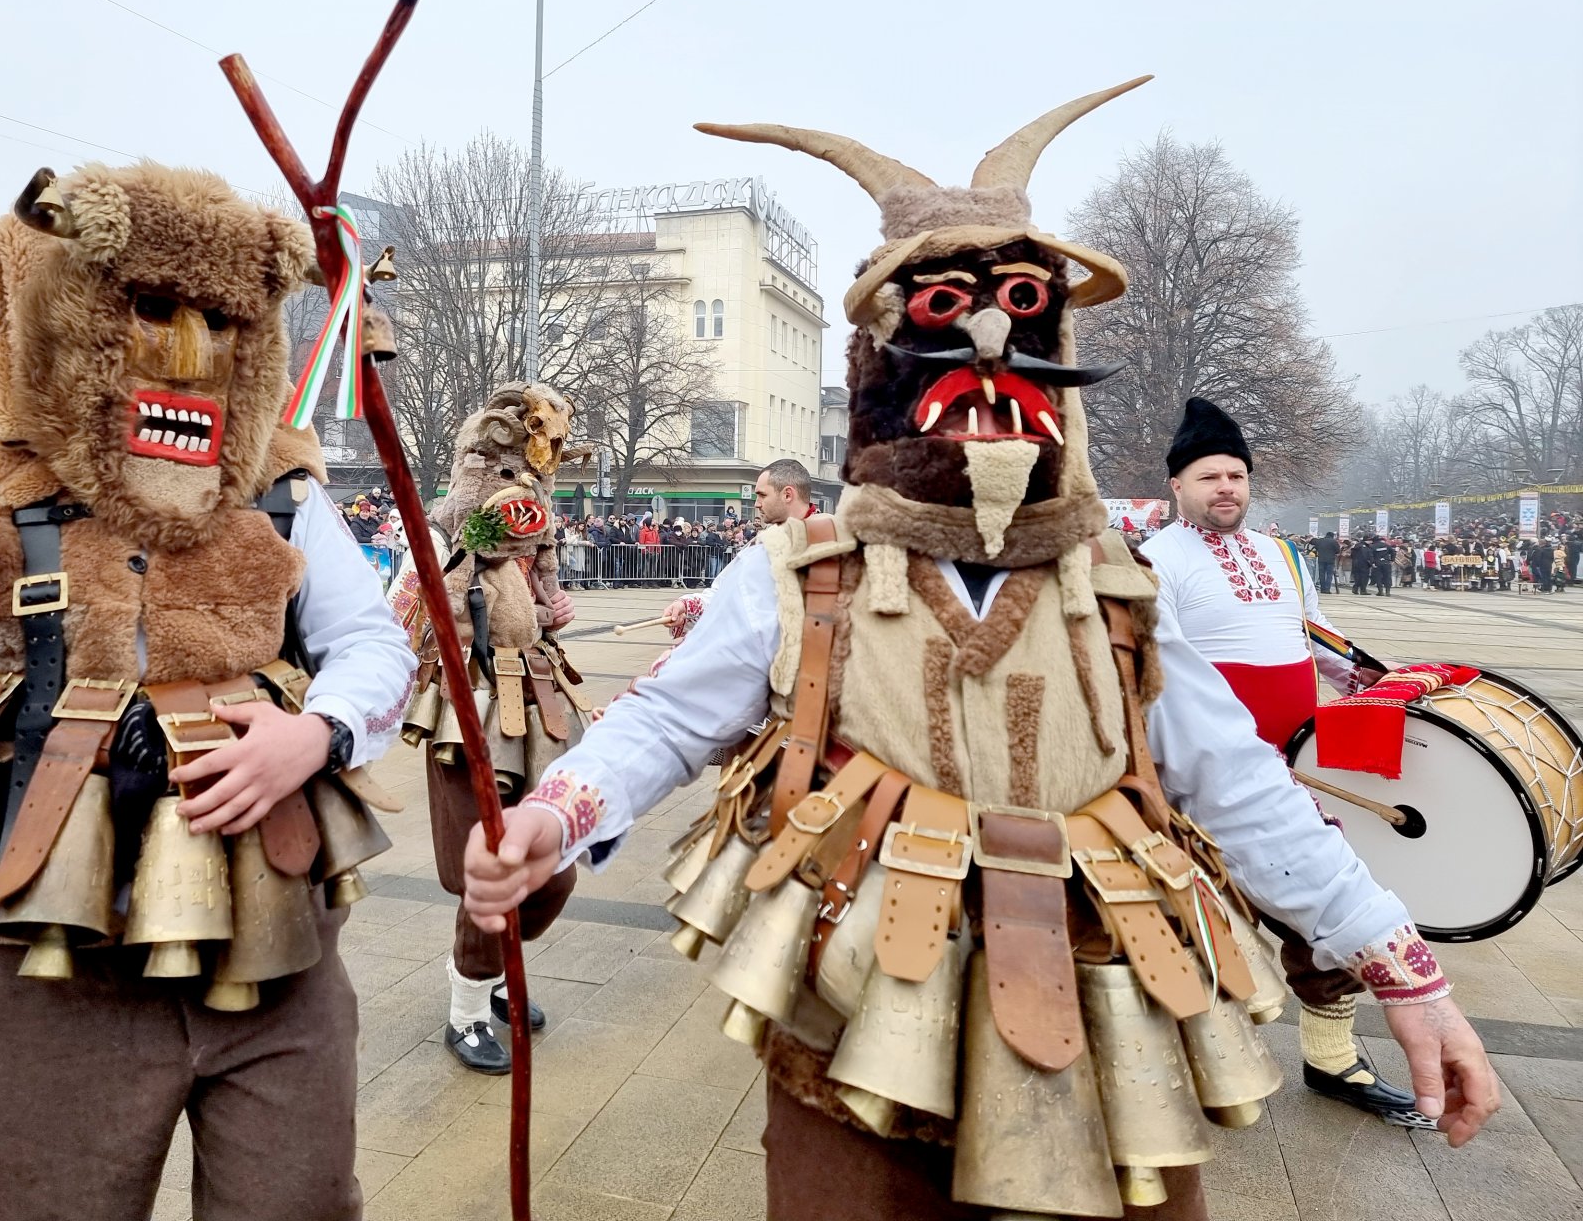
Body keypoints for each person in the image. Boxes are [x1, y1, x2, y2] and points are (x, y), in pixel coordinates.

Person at [460, 85, 1498, 1219]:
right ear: (883, 370)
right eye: (949, 313)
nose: (992, 348)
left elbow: (1241, 784)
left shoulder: (1119, 587)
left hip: (1105, 1009)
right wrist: (560, 813)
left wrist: (1404, 969)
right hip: (849, 1013)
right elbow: (664, 719)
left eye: (1018, 310)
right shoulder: (801, 571)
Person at [0, 162, 416, 1221]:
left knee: (303, 1204)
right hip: (45, 974)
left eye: (219, 318)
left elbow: (371, 645)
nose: (190, 349)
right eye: (151, 307)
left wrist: (315, 735)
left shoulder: (279, 486)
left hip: (278, 956)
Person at [1141, 398, 1430, 1125]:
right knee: (1194, 918)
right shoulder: (1154, 560)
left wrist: (1373, 675)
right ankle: (1178, 1061)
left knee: (1320, 914)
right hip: (1206, 777)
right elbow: (1158, 671)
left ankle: (1334, 1062)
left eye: (1237, 475)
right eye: (1210, 476)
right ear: (1177, 485)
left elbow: (1316, 635)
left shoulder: (1283, 554)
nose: (1227, 487)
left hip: (1296, 772)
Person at [386, 383, 587, 1074]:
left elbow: (539, 605)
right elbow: (402, 620)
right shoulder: (439, 531)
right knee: (490, 864)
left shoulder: (536, 536)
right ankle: (467, 1010)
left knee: (552, 866)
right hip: (464, 708)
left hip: (535, 700)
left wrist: (551, 607)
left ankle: (494, 976)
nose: (523, 484)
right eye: (508, 469)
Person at [661, 459, 817, 636]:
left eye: (762, 495)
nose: (757, 503)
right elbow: (725, 593)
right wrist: (687, 608)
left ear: (787, 495)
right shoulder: (761, 543)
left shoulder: (832, 545)